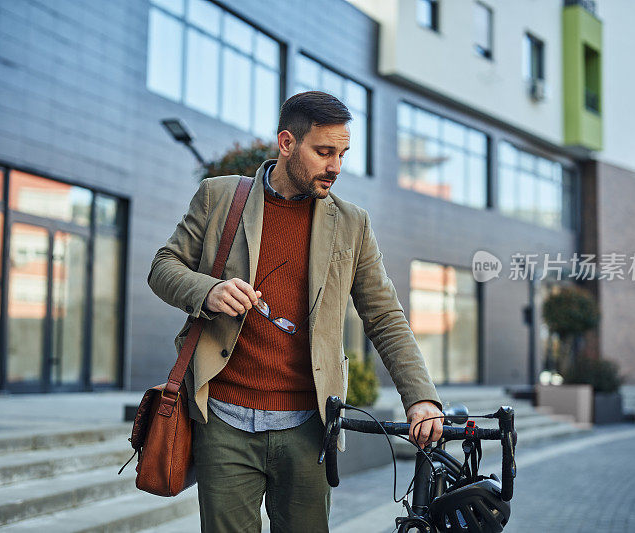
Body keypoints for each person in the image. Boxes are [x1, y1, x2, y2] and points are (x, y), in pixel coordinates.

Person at [148, 91, 443, 532]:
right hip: (223, 420)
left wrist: (420, 397)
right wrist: (207, 291)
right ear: (286, 143)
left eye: (342, 153)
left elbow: (384, 316)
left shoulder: (352, 223)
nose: (336, 166)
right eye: (324, 152)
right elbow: (162, 267)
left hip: (309, 428)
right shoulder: (219, 197)